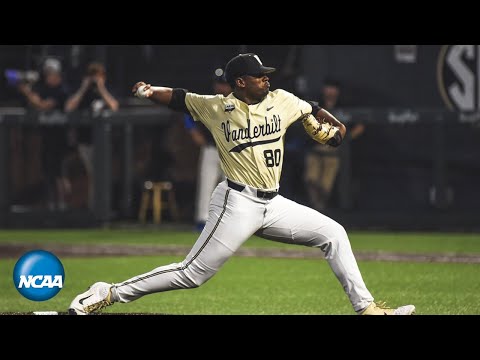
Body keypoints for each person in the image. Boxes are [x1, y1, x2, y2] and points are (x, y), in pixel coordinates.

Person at [68, 53, 415, 315]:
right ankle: (107, 292)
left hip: (274, 204)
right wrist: (147, 91)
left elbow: (314, 110)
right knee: (191, 275)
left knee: (334, 233)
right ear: (240, 82)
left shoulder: (282, 99)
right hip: (236, 203)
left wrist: (329, 125)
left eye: (265, 76)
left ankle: (368, 310)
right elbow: (178, 97)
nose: (265, 80)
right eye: (257, 77)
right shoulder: (218, 107)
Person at [63, 61, 119, 209]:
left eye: (98, 76)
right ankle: (95, 207)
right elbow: (69, 107)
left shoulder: (106, 90)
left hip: (104, 141)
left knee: (101, 175)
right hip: (85, 141)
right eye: (92, 76)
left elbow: (114, 107)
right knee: (93, 174)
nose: (95, 79)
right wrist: (84, 87)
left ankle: (100, 207)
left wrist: (100, 87)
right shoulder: (83, 92)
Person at [17, 57, 70, 210]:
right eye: (47, 74)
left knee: (60, 174)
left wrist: (27, 92)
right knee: (48, 173)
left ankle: (63, 206)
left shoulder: (61, 90)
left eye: (51, 74)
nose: (48, 77)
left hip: (60, 138)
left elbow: (44, 105)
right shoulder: (44, 88)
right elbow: (35, 103)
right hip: (47, 138)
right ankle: (51, 206)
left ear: (57, 75)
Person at [304, 78, 365, 210]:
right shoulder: (317, 104)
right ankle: (316, 206)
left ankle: (320, 207)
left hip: (334, 149)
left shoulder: (344, 105)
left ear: (337, 90)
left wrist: (344, 138)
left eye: (333, 88)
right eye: (328, 87)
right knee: (312, 180)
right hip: (315, 146)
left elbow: (360, 126)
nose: (330, 91)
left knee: (325, 184)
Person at [184, 68, 232, 231]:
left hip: (232, 152)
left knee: (231, 189)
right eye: (219, 83)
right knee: (206, 186)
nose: (221, 87)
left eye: (224, 84)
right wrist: (193, 132)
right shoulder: (208, 101)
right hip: (211, 149)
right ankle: (201, 222)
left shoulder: (238, 102)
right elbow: (188, 114)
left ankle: (228, 222)